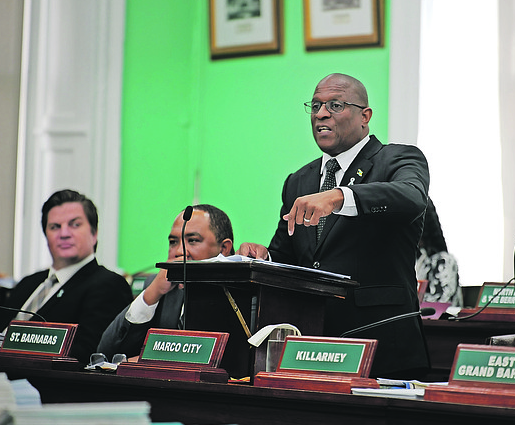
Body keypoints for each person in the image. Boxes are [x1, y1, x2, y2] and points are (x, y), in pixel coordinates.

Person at [237, 73, 431, 379]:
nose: (321, 114)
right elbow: (287, 255)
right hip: (312, 345)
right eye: (315, 106)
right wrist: (264, 258)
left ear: (365, 116)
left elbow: (411, 197)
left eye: (335, 105)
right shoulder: (298, 181)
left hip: (382, 345)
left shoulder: (398, 158)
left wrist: (340, 196)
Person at [0, 189, 133, 363]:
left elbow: (89, 353)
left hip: (45, 384)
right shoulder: (29, 283)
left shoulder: (109, 285)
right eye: (55, 227)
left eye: (75, 225)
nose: (64, 234)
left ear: (94, 233)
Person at [98, 204, 234, 360]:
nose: (179, 252)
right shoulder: (159, 288)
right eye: (173, 242)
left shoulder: (243, 295)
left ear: (224, 248)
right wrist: (152, 293)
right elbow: (106, 353)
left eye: (193, 241)